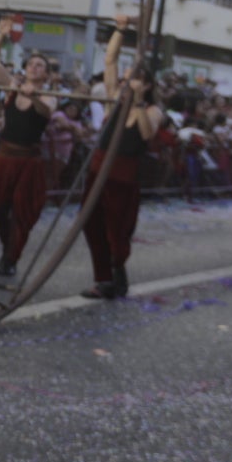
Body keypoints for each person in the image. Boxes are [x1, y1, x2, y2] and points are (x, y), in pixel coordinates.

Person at [80, 19, 163, 299]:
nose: (126, 83)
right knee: (91, 223)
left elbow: (145, 132)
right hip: (99, 167)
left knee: (117, 229)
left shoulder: (151, 110)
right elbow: (110, 60)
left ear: (147, 84)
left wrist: (138, 100)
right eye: (126, 79)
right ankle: (103, 278)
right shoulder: (114, 97)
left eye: (134, 80)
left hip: (124, 174)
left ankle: (117, 273)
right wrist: (119, 30)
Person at [0, 14, 55, 277]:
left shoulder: (48, 95)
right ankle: (8, 248)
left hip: (28, 161)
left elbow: (46, 110)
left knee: (24, 212)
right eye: (32, 64)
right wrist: (1, 34)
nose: (35, 68)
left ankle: (10, 258)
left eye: (40, 66)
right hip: (5, 155)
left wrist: (33, 97)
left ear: (46, 73)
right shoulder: (13, 86)